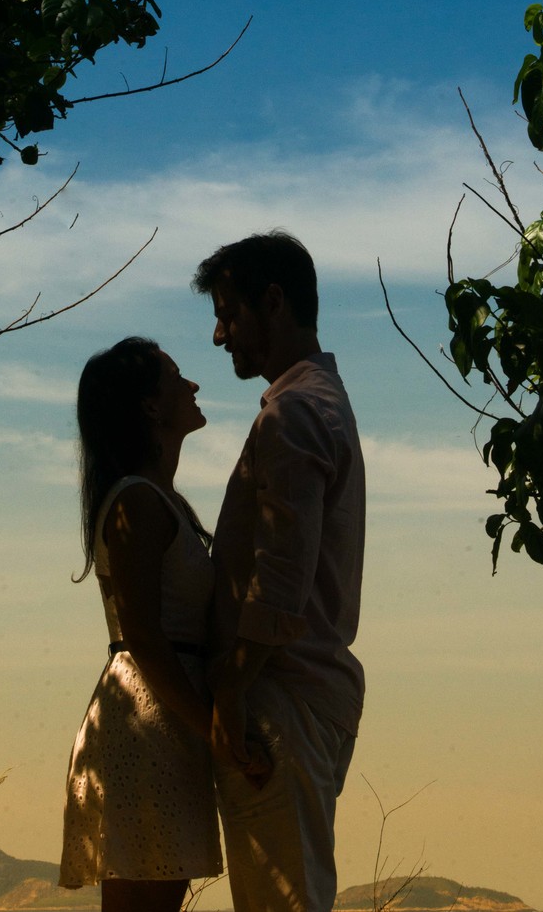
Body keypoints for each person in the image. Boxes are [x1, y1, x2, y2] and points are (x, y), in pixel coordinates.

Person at [193, 231, 366, 912]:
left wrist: (232, 689)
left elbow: (282, 579)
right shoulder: (318, 401)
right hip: (299, 693)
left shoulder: (293, 414)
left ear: (273, 302)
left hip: (279, 697)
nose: (219, 336)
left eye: (228, 314)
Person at [59, 337, 224, 912]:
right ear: (151, 406)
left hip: (161, 719)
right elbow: (146, 638)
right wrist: (215, 731)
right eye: (177, 376)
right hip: (150, 721)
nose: (193, 385)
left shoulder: (157, 499)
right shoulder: (138, 503)